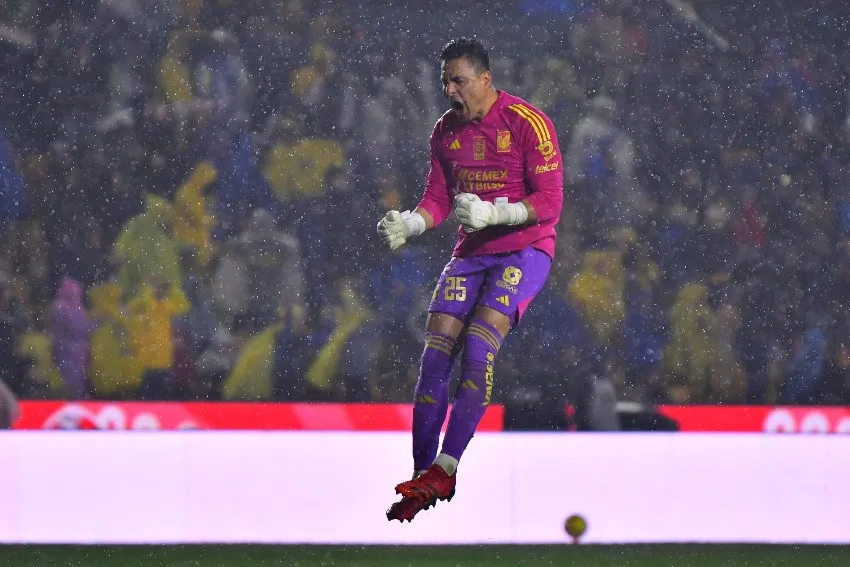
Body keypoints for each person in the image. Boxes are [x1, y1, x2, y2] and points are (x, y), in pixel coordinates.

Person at [377, 38, 564, 522]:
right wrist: (412, 223)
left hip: (525, 251)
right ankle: (423, 477)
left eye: (457, 80)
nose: (449, 90)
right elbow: (438, 197)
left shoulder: (528, 123)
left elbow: (550, 201)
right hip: (471, 254)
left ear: (485, 79)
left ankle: (448, 464)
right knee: (434, 355)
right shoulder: (445, 131)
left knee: (479, 347)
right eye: (444, 81)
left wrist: (497, 211)